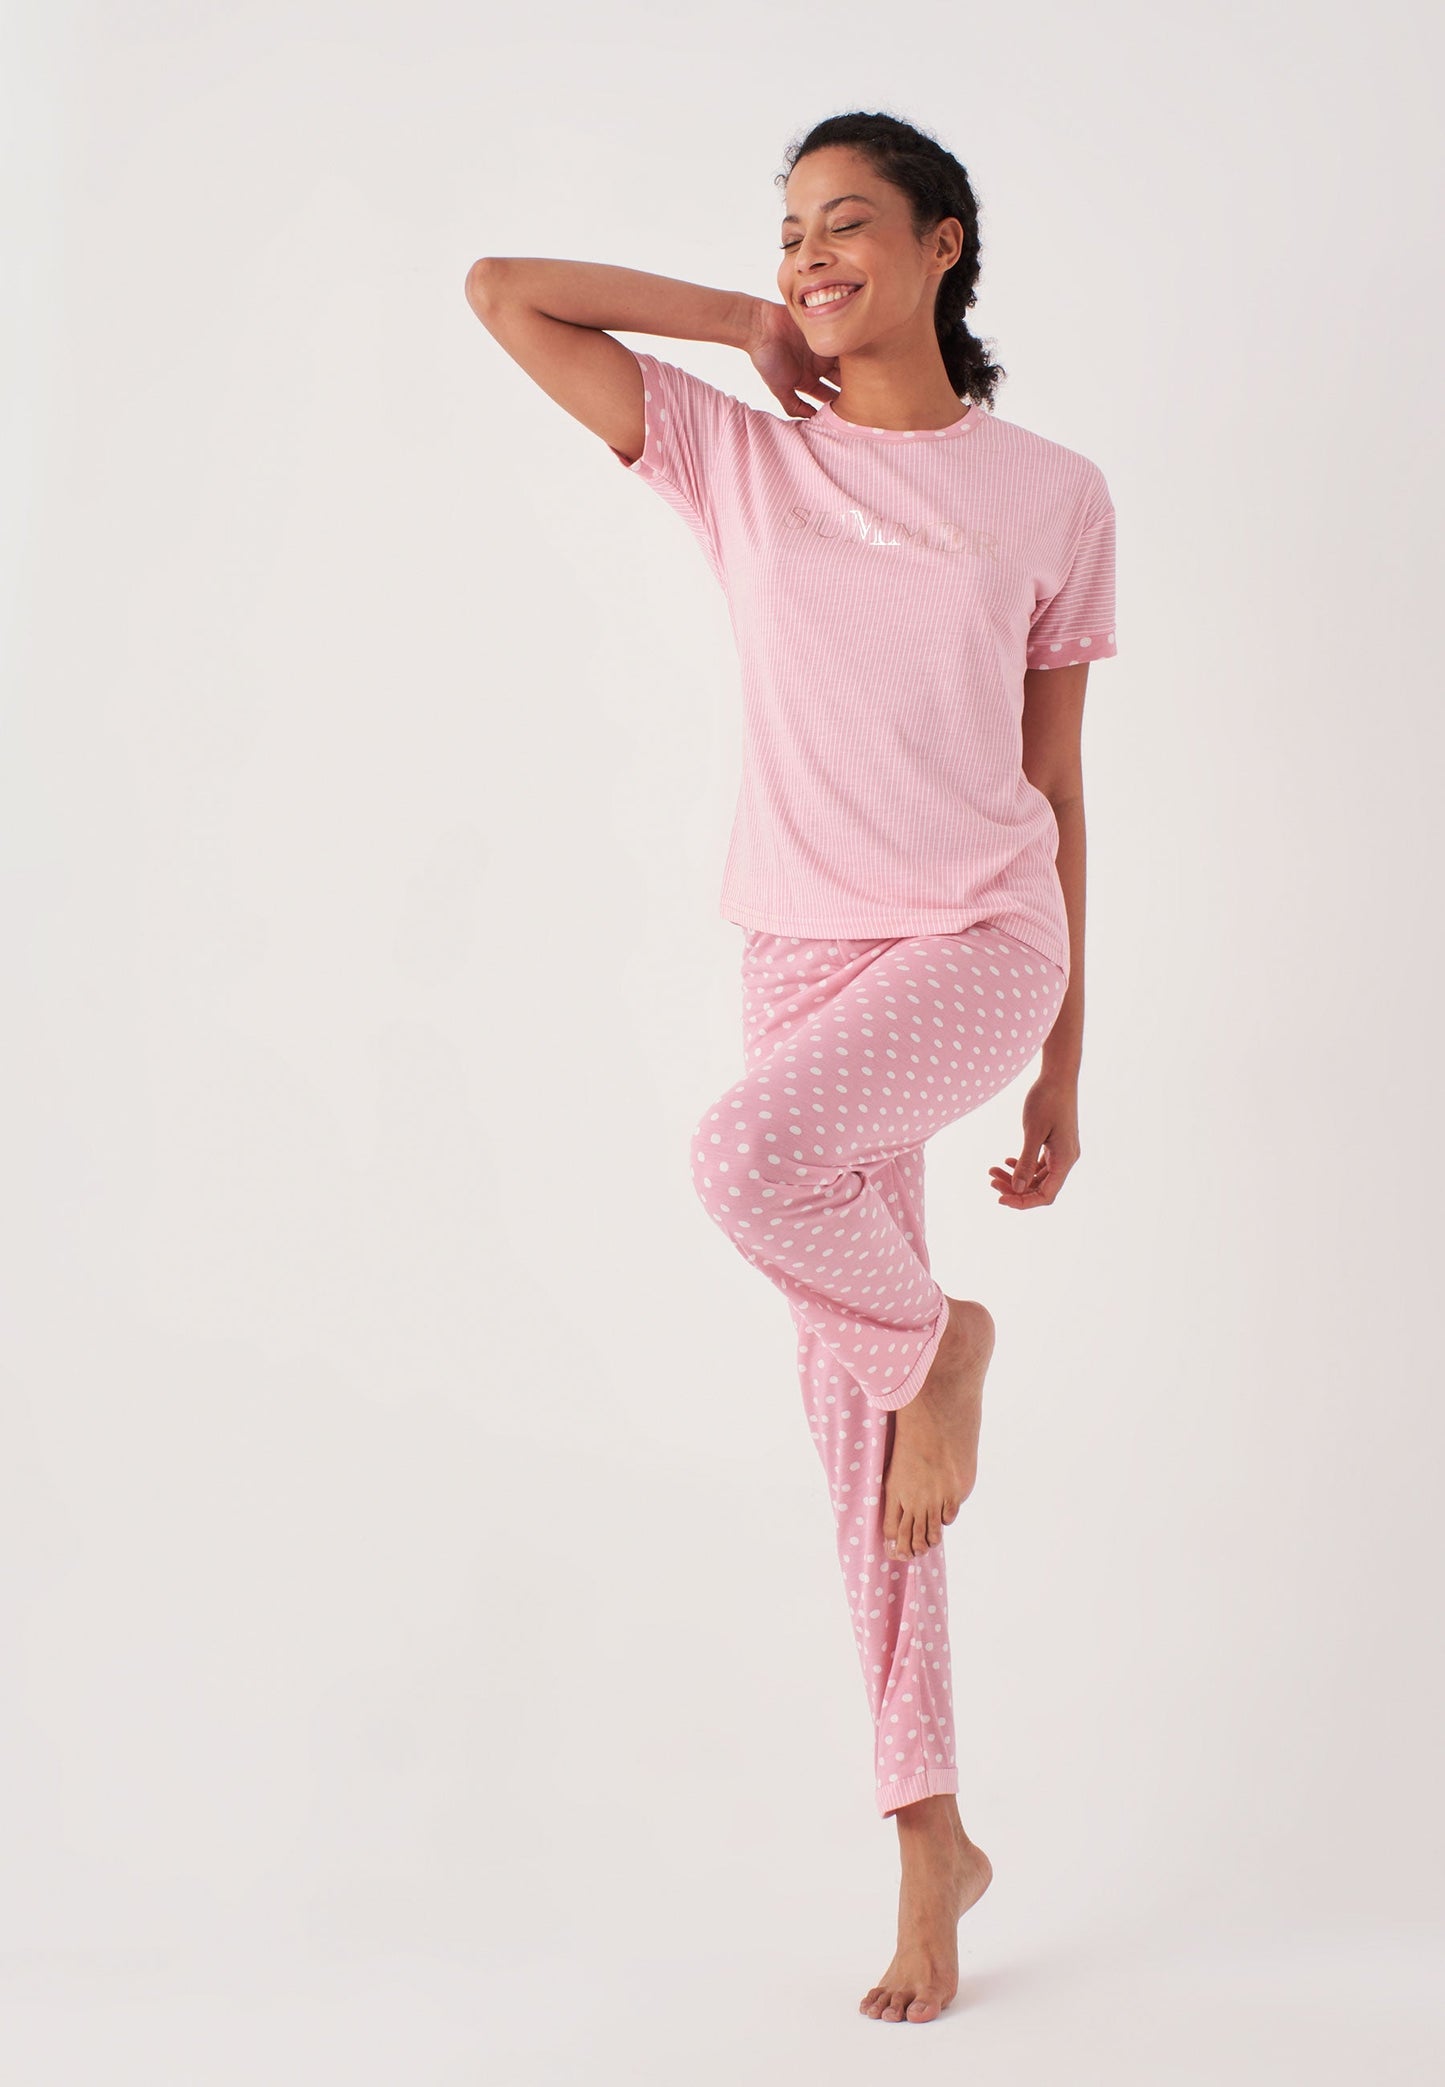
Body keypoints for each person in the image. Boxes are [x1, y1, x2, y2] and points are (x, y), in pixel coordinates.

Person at [464, 109, 1117, 2027]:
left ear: (943, 244)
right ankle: (930, 1838)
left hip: (980, 941)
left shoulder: (1052, 492)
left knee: (745, 1165)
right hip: (801, 950)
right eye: (788, 232)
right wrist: (736, 320)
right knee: (855, 1443)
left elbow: (1059, 786)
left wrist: (1066, 1060)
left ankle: (945, 1345)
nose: (812, 255)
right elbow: (504, 292)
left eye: (848, 225)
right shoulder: (742, 455)